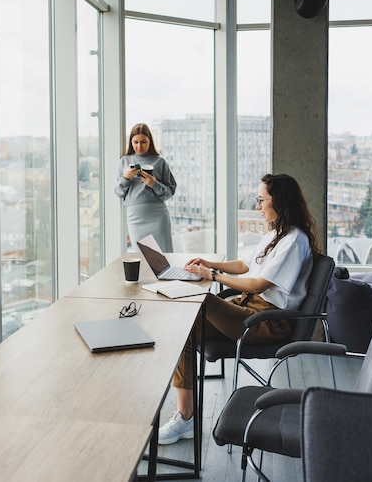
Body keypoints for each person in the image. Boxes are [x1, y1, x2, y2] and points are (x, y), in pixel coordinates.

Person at [158, 173, 322, 445]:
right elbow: (245, 265)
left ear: (278, 201)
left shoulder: (293, 241)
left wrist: (212, 275)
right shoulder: (275, 234)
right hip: (248, 311)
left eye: (261, 201)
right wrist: (211, 264)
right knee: (182, 329)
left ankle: (184, 417)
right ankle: (185, 418)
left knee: (204, 301)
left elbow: (258, 283)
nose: (257, 207)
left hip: (267, 322)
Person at [115, 123, 177, 252]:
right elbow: (119, 192)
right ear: (131, 142)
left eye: (143, 142)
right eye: (135, 142)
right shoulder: (125, 161)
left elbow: (169, 192)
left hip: (158, 216)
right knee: (142, 259)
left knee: (164, 258)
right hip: (135, 218)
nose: (139, 146)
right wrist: (125, 178)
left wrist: (154, 184)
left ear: (150, 141)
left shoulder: (160, 162)